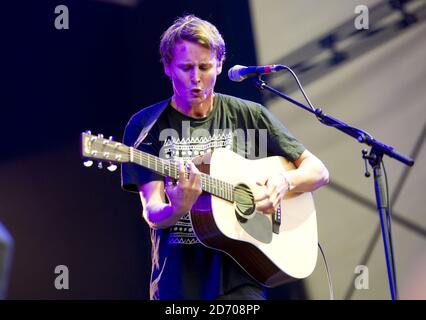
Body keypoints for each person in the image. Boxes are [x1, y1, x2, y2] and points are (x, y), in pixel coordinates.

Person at [121, 14, 329, 300]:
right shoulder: (145, 126)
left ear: (219, 64)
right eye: (185, 68)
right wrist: (178, 208)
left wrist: (284, 182)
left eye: (205, 67)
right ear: (168, 67)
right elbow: (152, 212)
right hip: (178, 284)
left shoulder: (249, 115)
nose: (196, 78)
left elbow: (318, 171)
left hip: (241, 278)